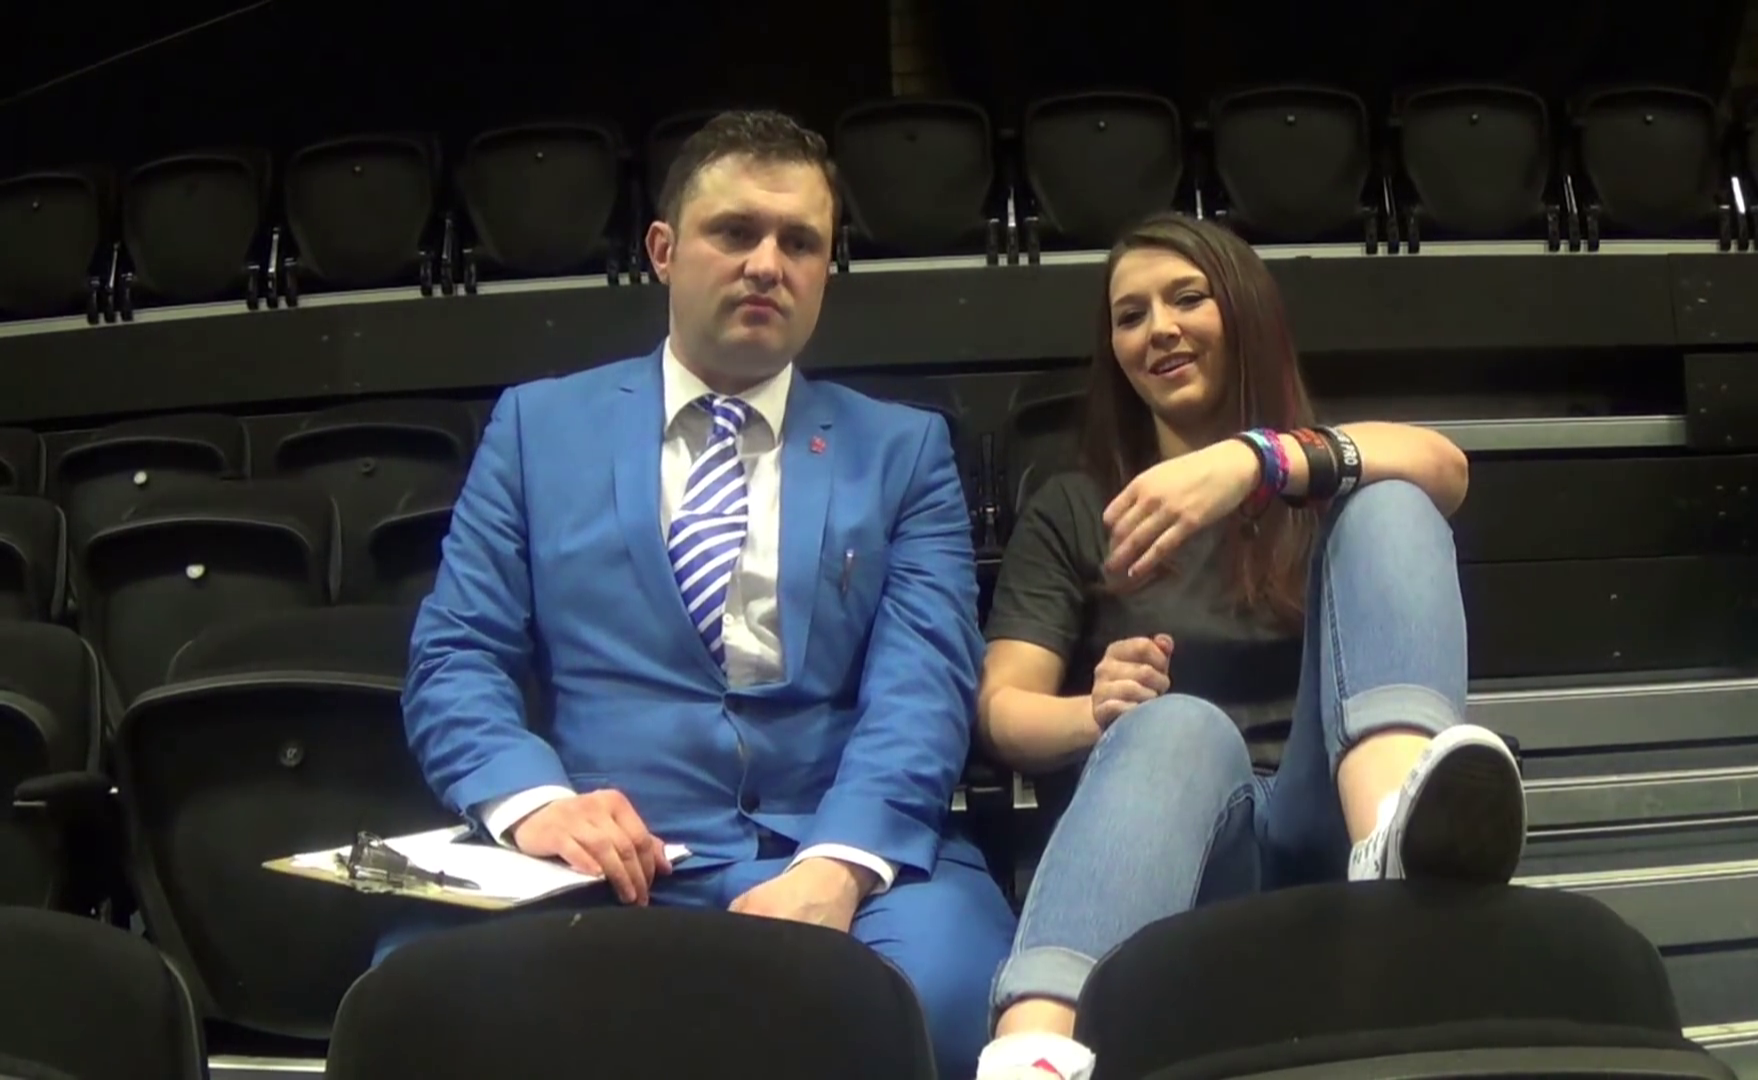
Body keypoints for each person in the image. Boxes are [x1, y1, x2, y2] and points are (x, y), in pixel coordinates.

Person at [391, 110, 1015, 1079]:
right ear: (663, 250)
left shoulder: (904, 451)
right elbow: (455, 656)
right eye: (735, 233)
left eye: (799, 242)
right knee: (416, 998)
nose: (768, 264)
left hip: (841, 850)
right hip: (600, 861)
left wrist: (840, 867)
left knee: (937, 1002)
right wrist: (538, 805)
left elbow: (923, 688)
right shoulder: (535, 429)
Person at [970, 213, 1528, 1080]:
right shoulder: (1077, 506)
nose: (1158, 329)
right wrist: (1093, 712)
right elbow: (1003, 710)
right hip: (1182, 836)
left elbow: (1444, 467)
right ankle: (1032, 1054)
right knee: (1179, 724)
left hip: (1325, 821)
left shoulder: (1314, 473)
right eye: (1130, 315)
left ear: (1244, 313)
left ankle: (1394, 832)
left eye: (1187, 299)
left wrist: (1250, 462)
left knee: (1392, 497)